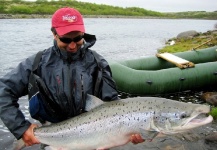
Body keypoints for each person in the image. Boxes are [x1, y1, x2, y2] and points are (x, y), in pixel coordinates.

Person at [0, 7, 144, 148]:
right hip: (54, 136)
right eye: (66, 40)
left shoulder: (98, 63)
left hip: (94, 137)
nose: (73, 45)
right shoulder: (37, 64)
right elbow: (3, 91)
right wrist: (21, 128)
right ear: (54, 34)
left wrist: (129, 130)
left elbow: (112, 104)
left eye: (78, 38)